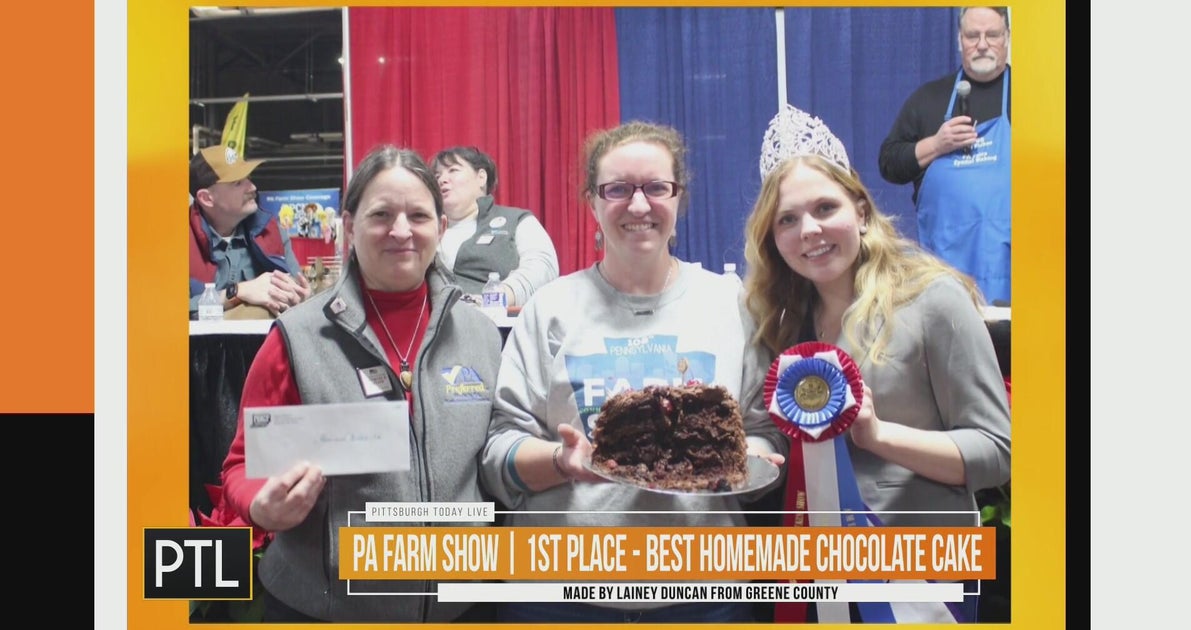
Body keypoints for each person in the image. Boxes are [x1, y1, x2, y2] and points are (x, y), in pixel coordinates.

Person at [479, 121, 788, 623]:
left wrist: (744, 456)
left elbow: (765, 435)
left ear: (678, 197)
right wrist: (562, 460)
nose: (638, 205)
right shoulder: (550, 308)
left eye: (655, 188)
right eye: (618, 189)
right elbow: (499, 453)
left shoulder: (730, 304)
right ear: (593, 202)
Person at [746, 105, 1011, 622]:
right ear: (773, 238)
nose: (809, 230)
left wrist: (876, 434)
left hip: (919, 578)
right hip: (818, 573)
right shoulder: (783, 323)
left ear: (861, 211)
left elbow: (995, 452)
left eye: (826, 208)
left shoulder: (933, 298)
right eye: (788, 219)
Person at [219, 146, 503, 623]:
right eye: (381, 215)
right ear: (349, 225)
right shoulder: (299, 336)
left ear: (442, 227)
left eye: (418, 215)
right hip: (325, 607)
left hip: (462, 608)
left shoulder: (481, 336)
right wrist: (261, 507)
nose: (400, 231)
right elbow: (242, 464)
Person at [878, 6, 1012, 305]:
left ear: (1007, 38)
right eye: (972, 35)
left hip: (1019, 272)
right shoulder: (929, 99)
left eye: (992, 35)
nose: (982, 44)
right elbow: (889, 163)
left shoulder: (1032, 94)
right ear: (959, 40)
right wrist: (937, 145)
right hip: (944, 274)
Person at [188, 145, 311, 318]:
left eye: (249, 178)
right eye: (237, 183)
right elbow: (162, 310)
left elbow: (298, 292)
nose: (252, 187)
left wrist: (302, 297)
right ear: (206, 198)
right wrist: (237, 292)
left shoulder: (272, 232)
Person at [433, 145, 559, 306]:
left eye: (453, 170)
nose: (442, 179)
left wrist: (495, 298)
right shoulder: (426, 229)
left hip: (497, 323)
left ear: (481, 177)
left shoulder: (516, 220)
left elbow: (543, 267)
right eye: (437, 175)